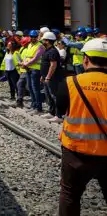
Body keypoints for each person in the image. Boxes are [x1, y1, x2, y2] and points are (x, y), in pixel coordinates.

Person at [56, 38, 107, 216]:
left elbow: (60, 109)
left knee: (70, 194)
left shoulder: (70, 83)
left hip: (76, 152)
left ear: (85, 59)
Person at [40, 31, 64, 123]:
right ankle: (51, 112)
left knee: (54, 96)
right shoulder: (47, 50)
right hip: (47, 77)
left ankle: (59, 115)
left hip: (53, 78)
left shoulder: (53, 51)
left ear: (48, 41)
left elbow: (53, 65)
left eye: (44, 40)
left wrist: (48, 77)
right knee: (48, 95)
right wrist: (43, 76)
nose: (42, 42)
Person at [20, 30, 45, 114]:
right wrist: (23, 63)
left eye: (34, 37)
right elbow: (27, 56)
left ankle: (38, 108)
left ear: (37, 37)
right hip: (28, 69)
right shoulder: (29, 45)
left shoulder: (40, 46)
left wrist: (25, 64)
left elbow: (36, 58)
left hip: (35, 70)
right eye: (31, 37)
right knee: (30, 88)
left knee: (35, 89)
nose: (33, 38)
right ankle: (33, 105)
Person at [15, 36, 32, 108]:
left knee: (26, 86)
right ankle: (20, 101)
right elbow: (21, 58)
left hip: (27, 69)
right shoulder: (22, 48)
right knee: (21, 85)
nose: (23, 44)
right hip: (22, 70)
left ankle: (34, 104)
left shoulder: (29, 49)